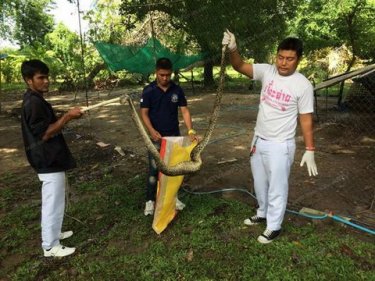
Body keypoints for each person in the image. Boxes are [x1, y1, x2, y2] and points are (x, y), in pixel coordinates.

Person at [222, 30, 318, 243]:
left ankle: (274, 226)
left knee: (277, 186)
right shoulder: (267, 71)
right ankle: (263, 212)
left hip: (280, 145)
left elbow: (305, 119)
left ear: (298, 59)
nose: (283, 63)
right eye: (280, 57)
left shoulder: (302, 85)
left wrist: (310, 149)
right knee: (260, 182)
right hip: (259, 139)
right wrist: (233, 49)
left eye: (289, 59)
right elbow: (239, 66)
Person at [20, 59, 83, 257]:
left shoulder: (36, 99)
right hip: (46, 160)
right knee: (52, 202)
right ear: (28, 80)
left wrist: (66, 116)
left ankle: (54, 233)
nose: (46, 81)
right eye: (41, 78)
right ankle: (50, 246)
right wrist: (68, 117)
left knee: (56, 200)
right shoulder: (33, 103)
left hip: (50, 158)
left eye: (47, 77)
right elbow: (45, 134)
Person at [140, 57, 198, 216]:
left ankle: (173, 198)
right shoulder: (149, 90)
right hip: (156, 138)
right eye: (161, 75)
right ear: (156, 73)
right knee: (154, 170)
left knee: (173, 169)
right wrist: (151, 130)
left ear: (171, 73)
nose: (165, 78)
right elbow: (144, 113)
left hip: (174, 137)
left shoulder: (177, 90)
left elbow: (184, 110)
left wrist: (190, 130)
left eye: (167, 75)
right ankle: (150, 202)